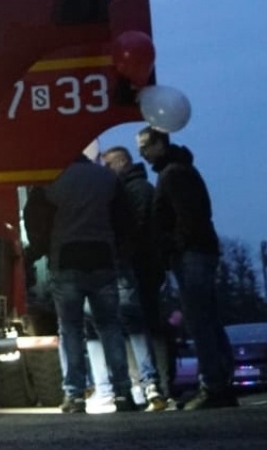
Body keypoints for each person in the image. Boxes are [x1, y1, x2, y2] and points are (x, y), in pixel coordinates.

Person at [27, 155, 136, 414]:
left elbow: (33, 215)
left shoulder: (51, 179)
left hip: (66, 259)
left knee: (71, 329)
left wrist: (41, 248)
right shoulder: (108, 178)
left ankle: (74, 395)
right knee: (110, 327)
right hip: (103, 258)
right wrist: (119, 251)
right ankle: (123, 391)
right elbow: (125, 220)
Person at [137, 127, 234, 410]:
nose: (141, 151)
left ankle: (214, 385)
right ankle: (220, 382)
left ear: (160, 144)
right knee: (207, 317)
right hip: (197, 251)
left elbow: (187, 217)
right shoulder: (177, 170)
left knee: (199, 319)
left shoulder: (174, 174)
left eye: (145, 145)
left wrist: (174, 245)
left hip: (191, 253)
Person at [101, 145, 171, 410]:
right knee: (145, 325)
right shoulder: (138, 187)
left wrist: (124, 252)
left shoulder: (135, 190)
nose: (106, 171)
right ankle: (157, 385)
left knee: (146, 326)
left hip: (142, 266)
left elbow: (138, 228)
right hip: (146, 264)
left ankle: (160, 386)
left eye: (109, 165)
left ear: (121, 163)